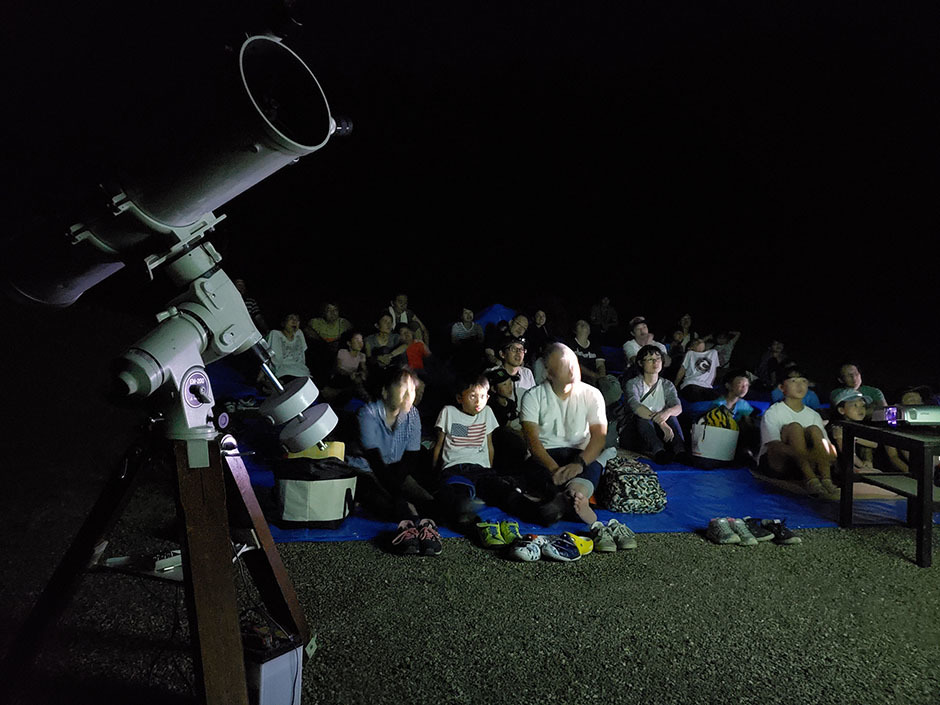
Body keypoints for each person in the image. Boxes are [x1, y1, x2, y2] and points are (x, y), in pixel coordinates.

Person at [520, 343, 609, 537]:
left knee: (591, 466)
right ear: (549, 373)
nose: (571, 369)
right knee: (535, 472)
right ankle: (570, 499)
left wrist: (579, 463)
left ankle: (574, 496)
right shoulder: (533, 396)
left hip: (579, 453)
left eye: (573, 363)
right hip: (546, 456)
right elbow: (533, 442)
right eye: (563, 364)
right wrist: (553, 469)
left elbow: (599, 438)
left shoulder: (592, 394)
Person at [351, 367, 442, 555]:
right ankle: (406, 527)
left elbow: (411, 457)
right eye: (403, 389)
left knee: (427, 501)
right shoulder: (368, 414)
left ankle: (420, 525)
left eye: (413, 389)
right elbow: (375, 463)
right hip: (365, 470)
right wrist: (401, 500)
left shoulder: (412, 415)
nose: (410, 395)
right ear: (385, 392)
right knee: (388, 505)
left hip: (394, 470)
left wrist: (402, 494)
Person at [757, 363, 838, 499]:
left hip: (803, 463)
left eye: (804, 381)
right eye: (793, 381)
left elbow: (826, 447)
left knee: (814, 430)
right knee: (794, 427)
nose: (800, 386)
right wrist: (805, 455)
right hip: (779, 464)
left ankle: (826, 480)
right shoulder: (774, 412)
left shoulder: (813, 415)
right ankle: (811, 479)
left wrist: (826, 455)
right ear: (782, 387)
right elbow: (774, 446)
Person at [620, 344, 684, 463]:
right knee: (642, 417)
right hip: (635, 430)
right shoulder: (634, 383)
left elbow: (678, 407)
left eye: (658, 358)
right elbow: (636, 407)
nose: (655, 362)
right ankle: (658, 451)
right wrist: (662, 422)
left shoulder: (667, 384)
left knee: (671, 415)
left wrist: (667, 413)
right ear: (640, 363)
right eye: (650, 359)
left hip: (659, 428)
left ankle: (680, 451)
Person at [829, 388, 908, 474]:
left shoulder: (863, 426)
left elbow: (875, 443)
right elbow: (848, 455)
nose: (860, 409)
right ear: (841, 410)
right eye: (855, 405)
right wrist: (862, 466)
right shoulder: (838, 427)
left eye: (862, 405)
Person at [264, 313, 309, 383]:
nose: (294, 322)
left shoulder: (299, 333)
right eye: (291, 318)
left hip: (303, 372)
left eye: (297, 319)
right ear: (283, 322)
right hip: (285, 373)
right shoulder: (275, 334)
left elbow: (303, 355)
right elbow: (276, 360)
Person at [673, 337, 720, 402]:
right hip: (691, 384)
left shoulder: (713, 353)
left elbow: (713, 372)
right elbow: (682, 370)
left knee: (718, 400)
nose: (700, 342)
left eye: (701, 341)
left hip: (706, 386)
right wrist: (675, 384)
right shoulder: (690, 353)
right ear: (691, 347)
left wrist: (709, 384)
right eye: (696, 343)